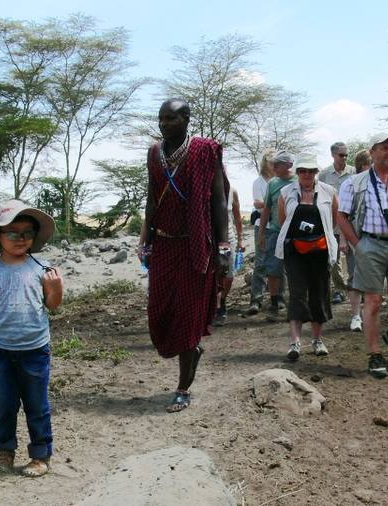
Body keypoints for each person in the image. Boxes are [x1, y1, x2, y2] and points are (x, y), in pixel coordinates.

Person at [138, 98, 229, 413]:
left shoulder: (205, 150)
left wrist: (223, 245)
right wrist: (146, 241)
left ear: (187, 119)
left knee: (188, 317)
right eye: (161, 118)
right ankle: (190, 352)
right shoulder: (154, 153)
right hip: (164, 246)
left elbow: (218, 200)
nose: (164, 124)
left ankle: (183, 388)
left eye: (171, 119)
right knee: (160, 313)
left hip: (196, 247)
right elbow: (151, 199)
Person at [0, 199, 63, 477]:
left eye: (28, 233)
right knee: (4, 403)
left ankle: (41, 455)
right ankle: (5, 452)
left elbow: (53, 305)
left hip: (35, 348)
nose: (21, 238)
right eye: (13, 232)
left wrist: (56, 287)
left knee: (37, 404)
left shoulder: (42, 268)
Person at [337, 134, 388, 379]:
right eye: (384, 148)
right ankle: (374, 355)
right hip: (370, 244)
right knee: (373, 301)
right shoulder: (355, 182)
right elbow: (341, 215)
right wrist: (357, 245)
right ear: (372, 152)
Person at [274, 156, 339, 360]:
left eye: (311, 171)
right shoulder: (286, 193)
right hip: (295, 252)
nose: (307, 175)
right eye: (302, 171)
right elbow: (284, 220)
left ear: (316, 172)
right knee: (297, 294)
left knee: (319, 294)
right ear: (297, 171)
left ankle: (317, 340)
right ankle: (294, 343)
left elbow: (334, 220)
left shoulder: (329, 192)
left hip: (320, 251)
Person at [257, 150, 296, 322]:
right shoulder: (272, 183)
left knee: (295, 269)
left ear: (288, 165)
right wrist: (261, 233)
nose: (272, 167)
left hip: (296, 233)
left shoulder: (299, 181)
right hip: (275, 231)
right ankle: (275, 303)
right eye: (272, 164)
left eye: (276, 164)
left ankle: (296, 305)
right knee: (273, 268)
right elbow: (266, 209)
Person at [319, 142, 355, 306]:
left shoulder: (354, 172)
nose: (345, 157)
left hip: (351, 221)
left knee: (353, 256)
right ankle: (339, 290)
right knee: (333, 258)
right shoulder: (324, 174)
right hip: (332, 221)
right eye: (341, 155)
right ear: (333, 155)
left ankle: (355, 288)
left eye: (346, 154)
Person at [343, 148, 373, 332]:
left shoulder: (381, 183)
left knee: (373, 278)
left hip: (375, 240)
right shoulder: (350, 184)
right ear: (364, 165)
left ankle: (369, 315)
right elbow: (343, 216)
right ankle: (356, 316)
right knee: (354, 277)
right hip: (356, 239)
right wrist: (344, 240)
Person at [246, 150, 276, 315]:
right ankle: (256, 299)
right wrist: (270, 203)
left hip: (277, 225)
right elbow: (257, 203)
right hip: (262, 225)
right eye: (270, 161)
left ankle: (277, 298)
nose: (272, 165)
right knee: (260, 262)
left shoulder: (279, 181)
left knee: (278, 262)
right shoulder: (258, 182)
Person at [214, 187, 244, 325]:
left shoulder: (231, 190)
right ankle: (216, 306)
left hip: (226, 239)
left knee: (228, 274)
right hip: (208, 239)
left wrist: (240, 239)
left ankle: (222, 301)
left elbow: (237, 217)